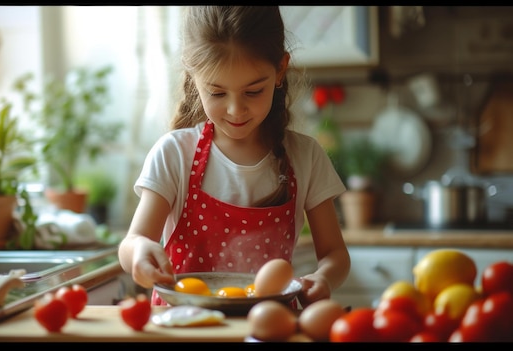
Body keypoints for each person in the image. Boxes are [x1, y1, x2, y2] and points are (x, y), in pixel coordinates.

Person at [118, 6, 350, 308]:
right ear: (193, 76)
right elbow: (131, 243)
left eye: (253, 92)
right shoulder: (174, 154)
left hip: (268, 327)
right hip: (183, 328)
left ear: (280, 70)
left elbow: (335, 254)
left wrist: (324, 278)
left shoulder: (305, 157)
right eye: (216, 93)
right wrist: (139, 252)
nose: (235, 110)